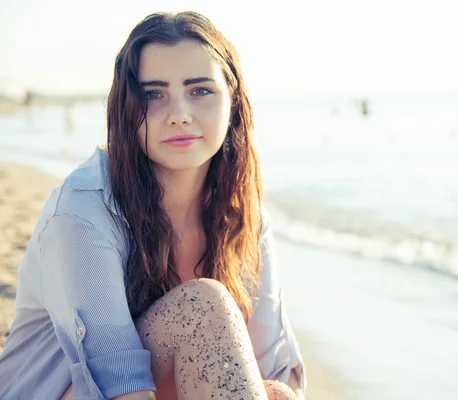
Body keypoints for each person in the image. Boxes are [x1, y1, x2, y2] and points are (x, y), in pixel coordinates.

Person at [0, 11, 305, 400]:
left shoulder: (242, 214)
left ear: (233, 101)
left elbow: (272, 369)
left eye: (200, 90)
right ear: (126, 109)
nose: (179, 114)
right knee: (201, 310)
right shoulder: (84, 212)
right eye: (153, 94)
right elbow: (117, 386)